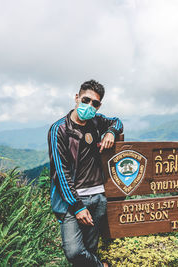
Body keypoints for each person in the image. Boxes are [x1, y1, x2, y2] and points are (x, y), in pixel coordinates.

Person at [48, 80, 123, 266]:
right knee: (74, 252)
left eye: (95, 103)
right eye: (86, 100)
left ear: (99, 106)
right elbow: (61, 172)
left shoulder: (96, 121)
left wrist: (111, 132)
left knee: (90, 250)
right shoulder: (60, 129)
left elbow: (117, 121)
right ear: (76, 97)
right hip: (72, 202)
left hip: (97, 197)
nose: (89, 106)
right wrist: (77, 206)